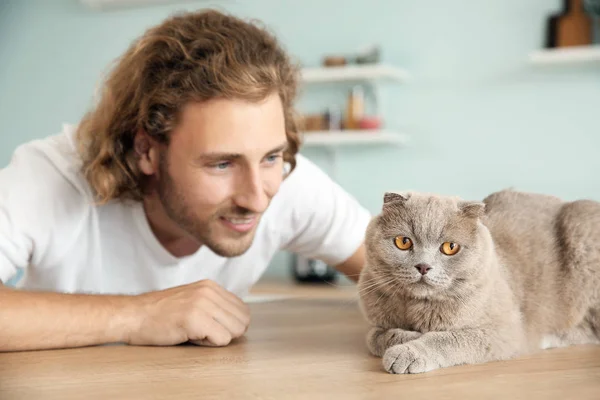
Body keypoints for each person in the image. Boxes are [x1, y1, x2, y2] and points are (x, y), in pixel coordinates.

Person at [0, 9, 371, 352]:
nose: (257, 199)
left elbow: (406, 277)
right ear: (146, 150)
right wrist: (137, 315)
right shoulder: (50, 175)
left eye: (271, 156)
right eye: (223, 164)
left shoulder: (288, 180)